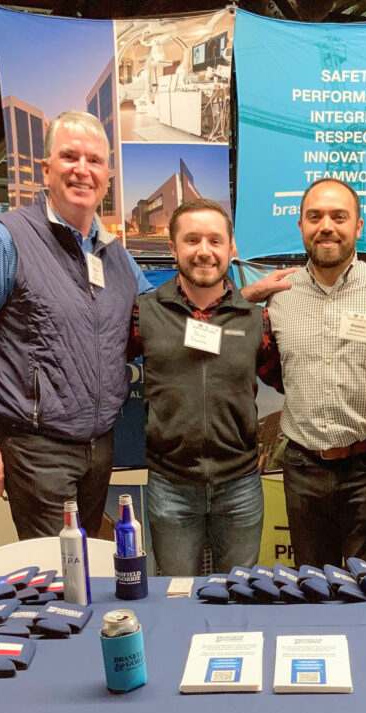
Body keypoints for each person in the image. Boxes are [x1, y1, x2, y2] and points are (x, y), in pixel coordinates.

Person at [0, 110, 153, 539]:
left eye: (94, 160)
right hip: (37, 449)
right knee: (59, 580)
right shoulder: (4, 239)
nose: (82, 170)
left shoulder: (116, 255)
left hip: (99, 446)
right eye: (69, 156)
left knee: (84, 571)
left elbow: (161, 313)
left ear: (107, 177)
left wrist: (243, 298)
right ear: (46, 168)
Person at [267, 179, 366, 576]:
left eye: (339, 216)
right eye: (315, 216)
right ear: (300, 225)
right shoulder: (277, 296)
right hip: (303, 465)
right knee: (311, 580)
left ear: (359, 226)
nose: (326, 226)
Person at [134, 198, 285, 575]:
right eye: (192, 240)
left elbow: (290, 381)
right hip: (170, 486)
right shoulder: (144, 314)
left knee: (238, 596)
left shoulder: (255, 320)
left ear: (230, 248)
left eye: (215, 241)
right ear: (173, 248)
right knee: (176, 597)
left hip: (240, 485)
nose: (204, 251)